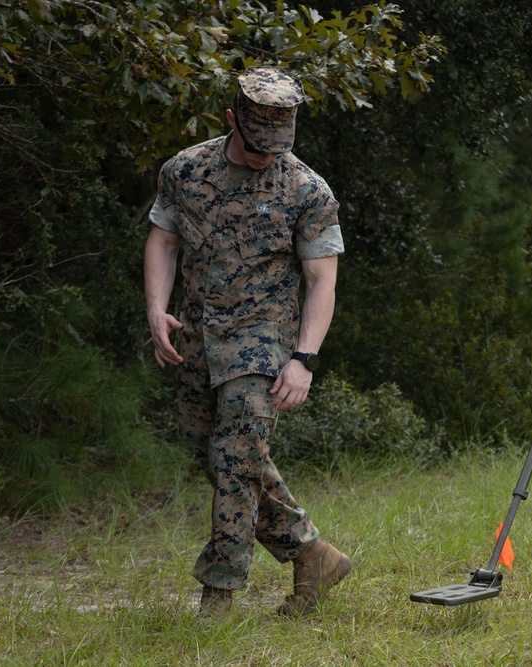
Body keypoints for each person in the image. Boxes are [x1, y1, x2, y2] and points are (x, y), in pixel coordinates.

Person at [144, 66, 350, 618]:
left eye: (278, 145)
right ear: (232, 119)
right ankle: (311, 553)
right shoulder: (185, 170)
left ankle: (220, 594)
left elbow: (321, 279)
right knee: (214, 452)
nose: (267, 156)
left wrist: (303, 358)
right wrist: (157, 310)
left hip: (263, 341)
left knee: (236, 458)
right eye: (257, 145)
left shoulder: (307, 189)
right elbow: (163, 240)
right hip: (197, 334)